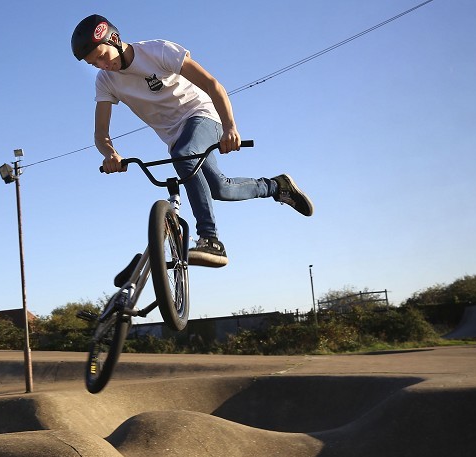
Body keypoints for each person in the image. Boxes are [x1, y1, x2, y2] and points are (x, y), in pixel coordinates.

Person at [71, 14, 314, 267]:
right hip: (177, 138)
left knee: (183, 155)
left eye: (102, 56)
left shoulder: (158, 51)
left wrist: (230, 127)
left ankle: (210, 240)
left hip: (203, 115)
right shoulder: (105, 81)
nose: (101, 65)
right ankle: (278, 187)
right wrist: (110, 154)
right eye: (93, 64)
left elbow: (212, 85)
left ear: (115, 39)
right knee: (220, 189)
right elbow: (101, 134)